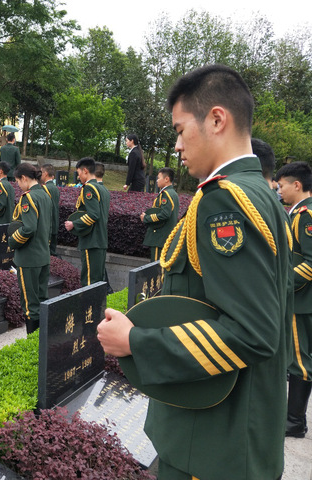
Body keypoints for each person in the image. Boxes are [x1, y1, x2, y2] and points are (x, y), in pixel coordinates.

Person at [97, 64, 292, 480]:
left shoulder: (226, 202)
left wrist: (137, 342)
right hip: (233, 435)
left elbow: (254, 331)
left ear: (217, 119)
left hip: (211, 443)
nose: (178, 145)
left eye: (181, 129)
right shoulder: (260, 192)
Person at [276, 161, 312, 439]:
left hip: (301, 301)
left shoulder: (305, 215)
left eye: (282, 185)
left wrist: (283, 284)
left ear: (297, 185)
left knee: (300, 361)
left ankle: (294, 421)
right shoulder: (299, 213)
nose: (279, 190)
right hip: (301, 298)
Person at [8, 162, 52, 335]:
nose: (18, 185)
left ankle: (33, 343)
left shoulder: (29, 197)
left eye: (18, 181)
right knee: (42, 299)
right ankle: (42, 341)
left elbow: (29, 228)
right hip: (43, 256)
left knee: (30, 305)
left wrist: (12, 241)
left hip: (28, 258)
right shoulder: (45, 195)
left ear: (24, 178)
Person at [64, 158, 109, 286]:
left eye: (78, 173)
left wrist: (74, 224)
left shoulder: (89, 188)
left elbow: (93, 214)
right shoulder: (103, 189)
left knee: (89, 281)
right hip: (100, 240)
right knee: (98, 281)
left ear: (85, 171)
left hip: (91, 240)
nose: (78, 177)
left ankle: (89, 306)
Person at [140, 167, 179, 262]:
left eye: (159, 178)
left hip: (160, 237)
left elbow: (165, 214)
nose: (157, 180)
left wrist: (146, 218)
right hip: (165, 237)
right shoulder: (172, 193)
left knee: (156, 267)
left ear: (166, 179)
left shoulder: (166, 194)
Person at [41, 163, 60, 256]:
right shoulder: (55, 188)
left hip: (48, 226)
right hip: (55, 224)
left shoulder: (45, 188)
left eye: (41, 172)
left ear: (45, 173)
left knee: (49, 254)